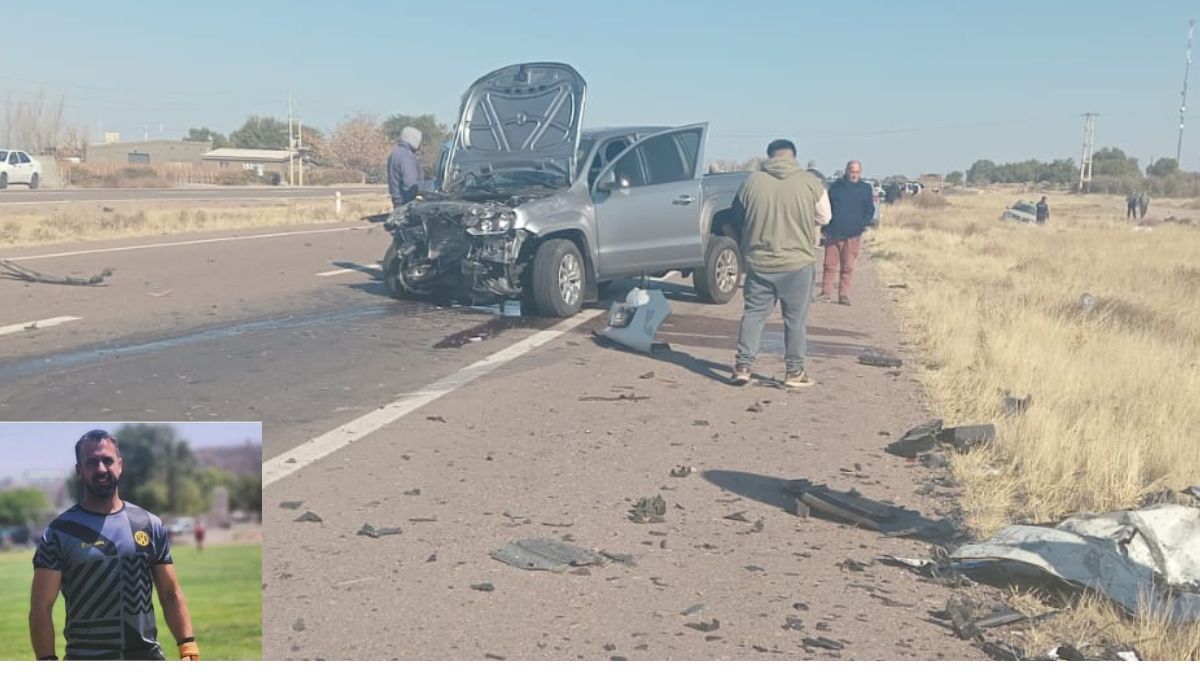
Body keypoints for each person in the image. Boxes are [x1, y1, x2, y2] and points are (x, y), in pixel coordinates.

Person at [30, 430, 199, 661]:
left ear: (120, 465)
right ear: (79, 470)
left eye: (107, 460)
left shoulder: (149, 524)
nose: (101, 469)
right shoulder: (59, 533)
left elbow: (170, 593)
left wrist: (187, 644)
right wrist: (46, 661)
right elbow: (42, 606)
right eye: (91, 462)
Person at [731, 139, 831, 389]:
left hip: (759, 261)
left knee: (753, 315)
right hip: (798, 263)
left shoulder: (752, 182)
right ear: (793, 156)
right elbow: (826, 216)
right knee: (795, 320)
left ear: (769, 157)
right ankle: (794, 372)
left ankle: (743, 367)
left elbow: (736, 216)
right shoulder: (810, 182)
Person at [818, 160, 875, 305]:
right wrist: (825, 228)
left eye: (857, 172)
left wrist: (861, 225)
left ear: (860, 173)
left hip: (853, 235)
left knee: (847, 267)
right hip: (834, 233)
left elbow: (870, 210)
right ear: (846, 171)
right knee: (829, 265)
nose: (854, 175)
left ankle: (843, 295)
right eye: (852, 171)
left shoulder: (865, 189)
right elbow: (827, 207)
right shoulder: (836, 187)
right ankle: (826, 293)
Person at [387, 126, 424, 209]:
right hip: (406, 201)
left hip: (397, 199)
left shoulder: (395, 152)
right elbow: (410, 183)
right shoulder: (406, 156)